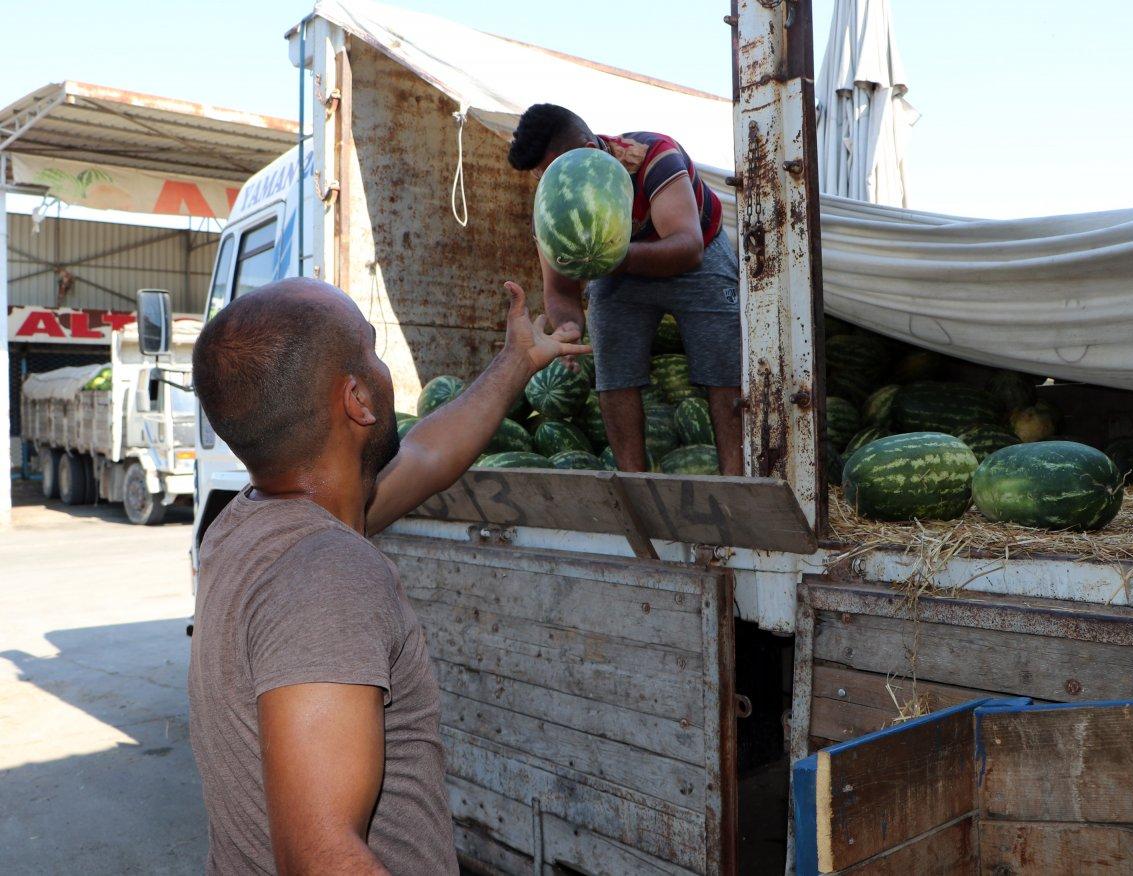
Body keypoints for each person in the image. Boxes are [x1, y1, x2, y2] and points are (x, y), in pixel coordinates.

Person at [187, 276, 587, 874]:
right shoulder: (327, 577)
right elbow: (324, 859)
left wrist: (517, 361)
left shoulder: (249, 527)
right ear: (358, 400)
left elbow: (426, 455)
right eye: (372, 349)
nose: (382, 365)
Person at [507, 103, 744, 475]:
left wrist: (609, 257)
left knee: (724, 369)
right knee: (613, 369)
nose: (553, 183)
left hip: (695, 256)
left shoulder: (655, 157)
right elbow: (560, 289)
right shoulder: (551, 200)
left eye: (557, 169)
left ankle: (739, 485)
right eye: (544, 176)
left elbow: (687, 247)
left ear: (589, 148)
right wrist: (567, 326)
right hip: (618, 265)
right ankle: (633, 485)